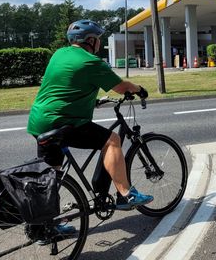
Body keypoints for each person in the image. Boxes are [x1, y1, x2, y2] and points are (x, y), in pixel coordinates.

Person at [27, 19, 154, 218]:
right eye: (98, 39)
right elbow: (121, 87)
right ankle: (126, 195)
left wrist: (90, 100)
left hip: (38, 121)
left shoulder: (59, 54)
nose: (99, 44)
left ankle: (44, 225)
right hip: (63, 122)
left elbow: (65, 84)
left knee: (52, 175)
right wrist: (140, 90)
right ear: (91, 40)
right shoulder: (91, 62)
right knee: (112, 140)